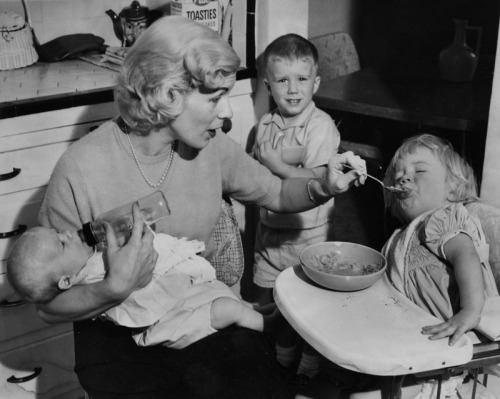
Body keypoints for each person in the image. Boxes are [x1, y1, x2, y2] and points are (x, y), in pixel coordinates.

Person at [36, 15, 366, 399]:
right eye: (213, 98)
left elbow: (276, 193)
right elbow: (46, 304)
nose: (227, 113)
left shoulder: (210, 147)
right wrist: (112, 288)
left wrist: (322, 185)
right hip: (119, 341)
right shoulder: (80, 168)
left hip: (202, 316)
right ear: (167, 93)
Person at [7, 223, 285, 349]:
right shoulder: (90, 276)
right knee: (225, 308)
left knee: (220, 293)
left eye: (58, 232)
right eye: (62, 242)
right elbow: (47, 310)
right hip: (168, 321)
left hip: (177, 298)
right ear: (66, 280)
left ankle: (261, 311)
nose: (68, 232)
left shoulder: (89, 261)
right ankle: (272, 327)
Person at [380, 133, 500, 398]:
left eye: (419, 170)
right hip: (409, 345)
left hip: (441, 357)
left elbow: (466, 255)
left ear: (452, 189)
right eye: (397, 173)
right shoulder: (400, 238)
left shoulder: (440, 219)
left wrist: (470, 311)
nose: (403, 176)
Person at [251, 33, 340, 382]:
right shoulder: (264, 126)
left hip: (308, 238)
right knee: (272, 303)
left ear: (315, 82)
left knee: (309, 306)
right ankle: (282, 359)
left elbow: (319, 178)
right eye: (282, 80)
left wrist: (278, 166)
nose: (292, 89)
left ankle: (311, 366)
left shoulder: (321, 126)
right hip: (268, 236)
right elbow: (253, 178)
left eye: (301, 79)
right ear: (268, 84)